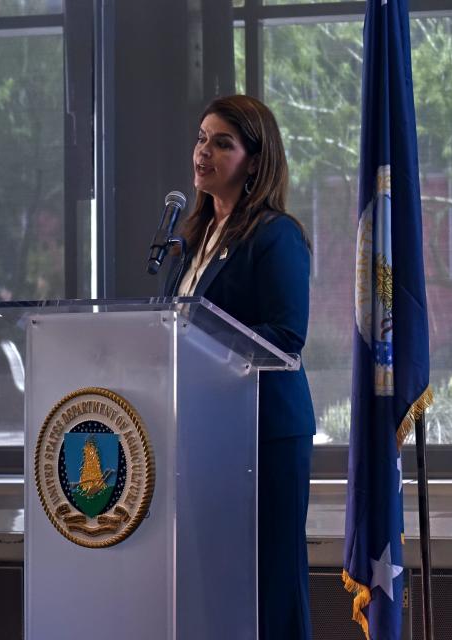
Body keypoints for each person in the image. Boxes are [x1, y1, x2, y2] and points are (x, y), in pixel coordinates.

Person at [163, 94, 315, 640]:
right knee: (216, 579)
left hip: (265, 434)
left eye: (222, 142)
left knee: (270, 580)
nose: (204, 151)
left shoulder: (276, 235)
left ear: (255, 159)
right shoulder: (193, 237)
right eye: (202, 138)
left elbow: (286, 337)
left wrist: (205, 342)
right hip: (206, 435)